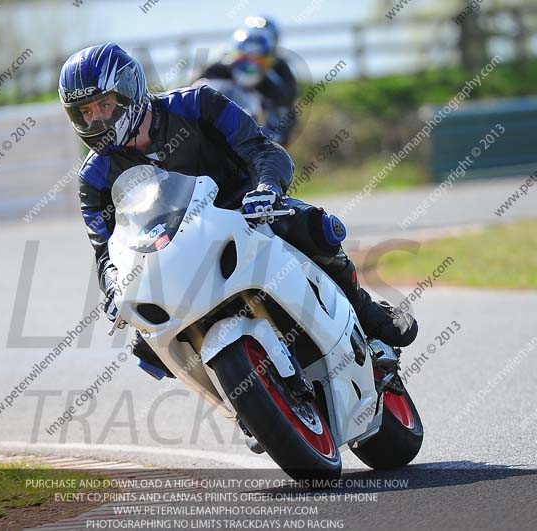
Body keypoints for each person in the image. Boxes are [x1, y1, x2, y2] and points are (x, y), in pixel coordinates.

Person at [59, 43, 417, 379]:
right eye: (85, 113)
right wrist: (112, 287)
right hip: (173, 254)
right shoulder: (94, 176)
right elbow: (106, 249)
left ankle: (366, 311)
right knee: (148, 346)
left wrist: (267, 189)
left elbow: (264, 150)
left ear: (128, 89)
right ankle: (238, 400)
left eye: (103, 105)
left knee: (316, 228)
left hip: (246, 211)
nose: (97, 120)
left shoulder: (196, 104)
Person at [194, 15, 297, 145]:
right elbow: (194, 84)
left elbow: (287, 101)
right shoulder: (219, 63)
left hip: (258, 125)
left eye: (258, 54)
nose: (252, 58)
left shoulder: (280, 69)